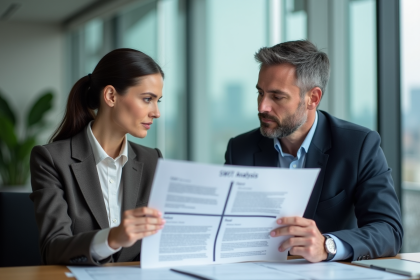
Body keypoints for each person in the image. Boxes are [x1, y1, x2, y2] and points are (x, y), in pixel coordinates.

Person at [224, 40, 403, 262]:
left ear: (313, 98)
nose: (262, 106)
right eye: (260, 93)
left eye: (277, 97)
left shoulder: (359, 146)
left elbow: (389, 230)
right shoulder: (240, 149)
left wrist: (327, 245)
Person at [30, 48, 166, 265]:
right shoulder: (51, 160)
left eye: (158, 100)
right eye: (147, 99)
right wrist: (112, 238)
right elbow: (52, 249)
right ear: (111, 96)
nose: (156, 112)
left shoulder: (152, 160)